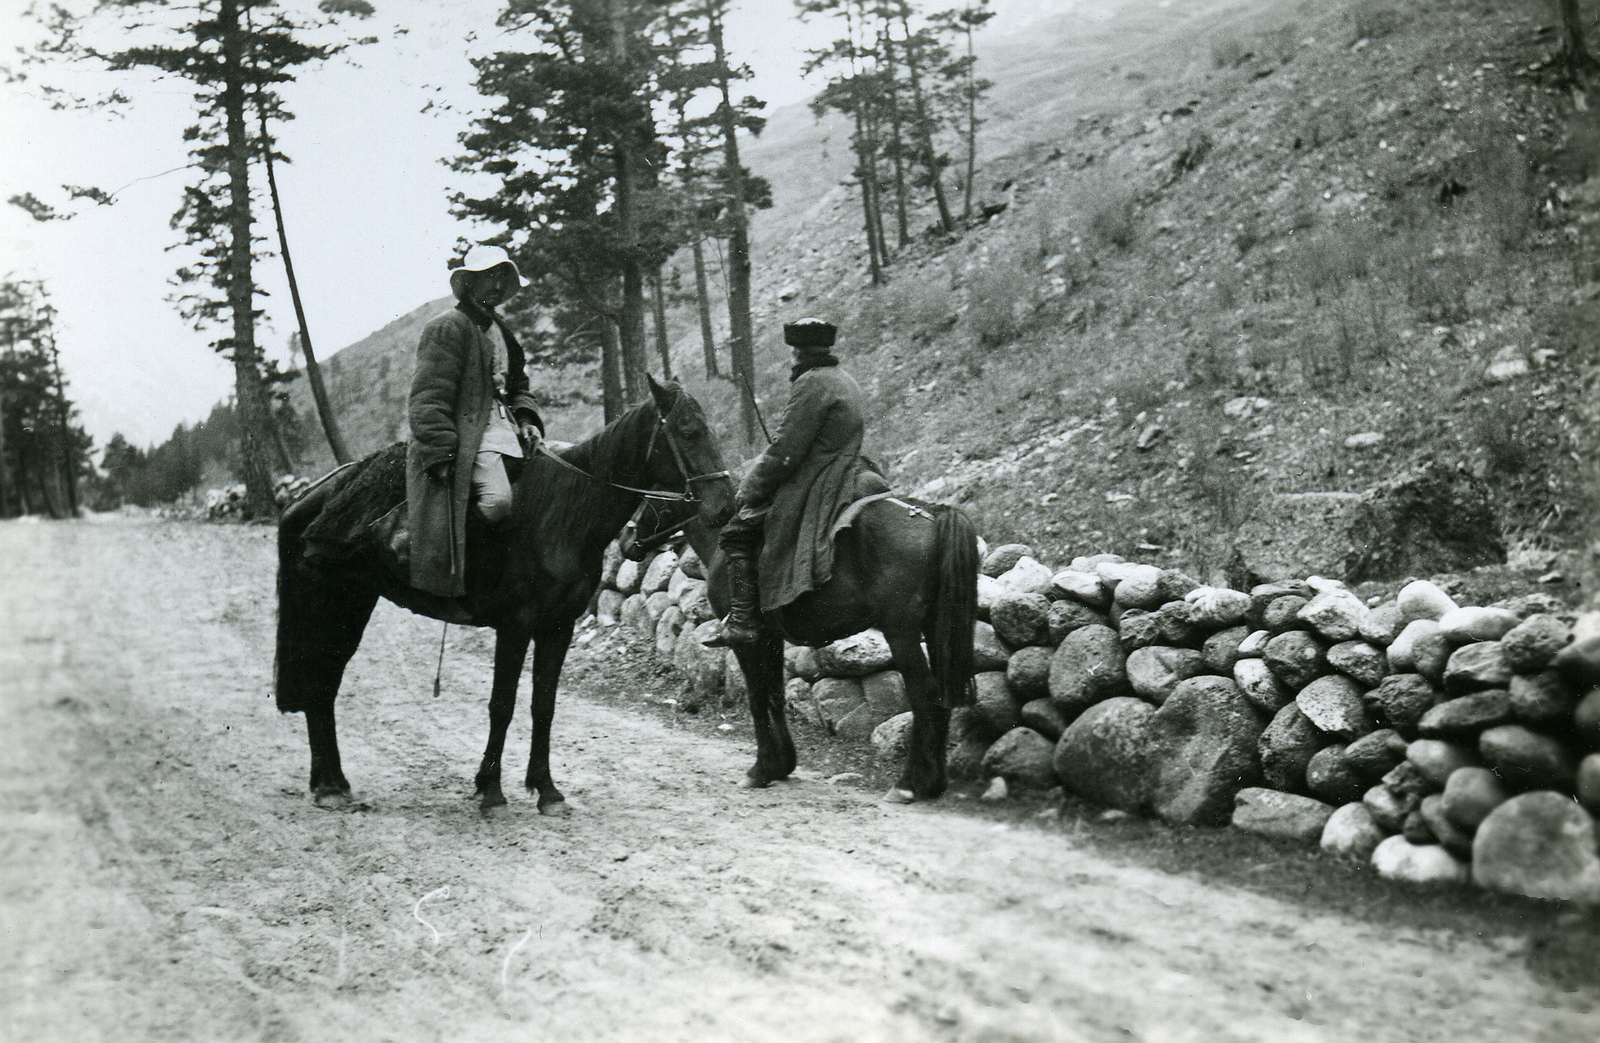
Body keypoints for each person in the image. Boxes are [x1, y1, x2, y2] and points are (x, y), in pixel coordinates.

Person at [705, 317, 887, 647]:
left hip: (820, 478)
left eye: (793, 353)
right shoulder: (844, 379)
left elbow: (785, 452)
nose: (792, 360)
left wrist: (749, 489)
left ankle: (743, 621)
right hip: (854, 467)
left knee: (736, 533)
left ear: (799, 354)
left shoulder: (811, 383)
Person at [405, 244, 545, 598]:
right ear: (469, 284)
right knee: (498, 502)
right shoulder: (447, 327)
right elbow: (427, 399)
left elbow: (517, 385)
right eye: (488, 277)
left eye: (502, 277)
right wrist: (441, 454)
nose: (496, 286)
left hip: (507, 430)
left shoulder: (499, 329)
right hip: (468, 437)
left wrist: (527, 418)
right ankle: (474, 577)